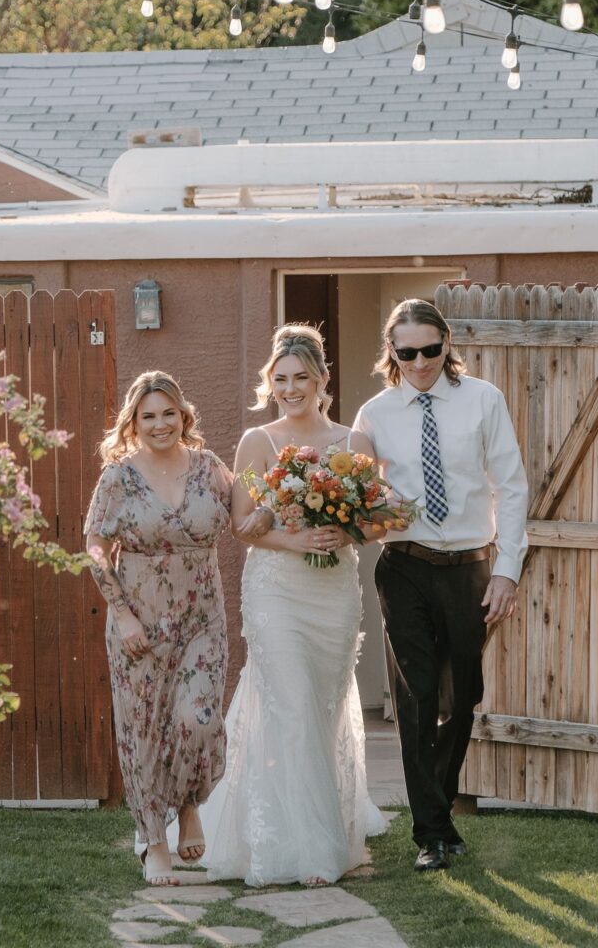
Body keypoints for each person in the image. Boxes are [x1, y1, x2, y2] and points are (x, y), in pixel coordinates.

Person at [199, 324, 386, 887]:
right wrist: (292, 538)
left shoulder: (354, 443)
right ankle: (305, 850)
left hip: (332, 597)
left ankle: (322, 824)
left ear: (323, 380)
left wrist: (347, 533)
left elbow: (379, 517)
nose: (290, 387)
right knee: (292, 705)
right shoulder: (258, 441)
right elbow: (244, 525)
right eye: (280, 378)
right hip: (276, 589)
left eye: (301, 377)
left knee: (322, 712)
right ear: (269, 383)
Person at [354, 299, 528, 873]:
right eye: (408, 353)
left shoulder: (484, 400)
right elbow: (357, 492)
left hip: (469, 568)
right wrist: (372, 509)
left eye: (431, 349)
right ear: (393, 353)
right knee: (416, 693)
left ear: (446, 344)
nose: (421, 362)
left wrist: (506, 569)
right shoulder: (375, 413)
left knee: (463, 698)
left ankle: (441, 810)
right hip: (403, 567)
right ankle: (430, 832)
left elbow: (512, 485)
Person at [85, 370, 270, 886]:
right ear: (134, 423)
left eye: (169, 413)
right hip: (139, 623)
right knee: (143, 732)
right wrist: (120, 614)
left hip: (201, 620)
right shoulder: (118, 478)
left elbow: (245, 522)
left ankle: (189, 802)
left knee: (200, 720)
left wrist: (291, 500)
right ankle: (155, 842)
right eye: (149, 416)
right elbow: (96, 549)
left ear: (184, 416)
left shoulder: (210, 469)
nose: (161, 423)